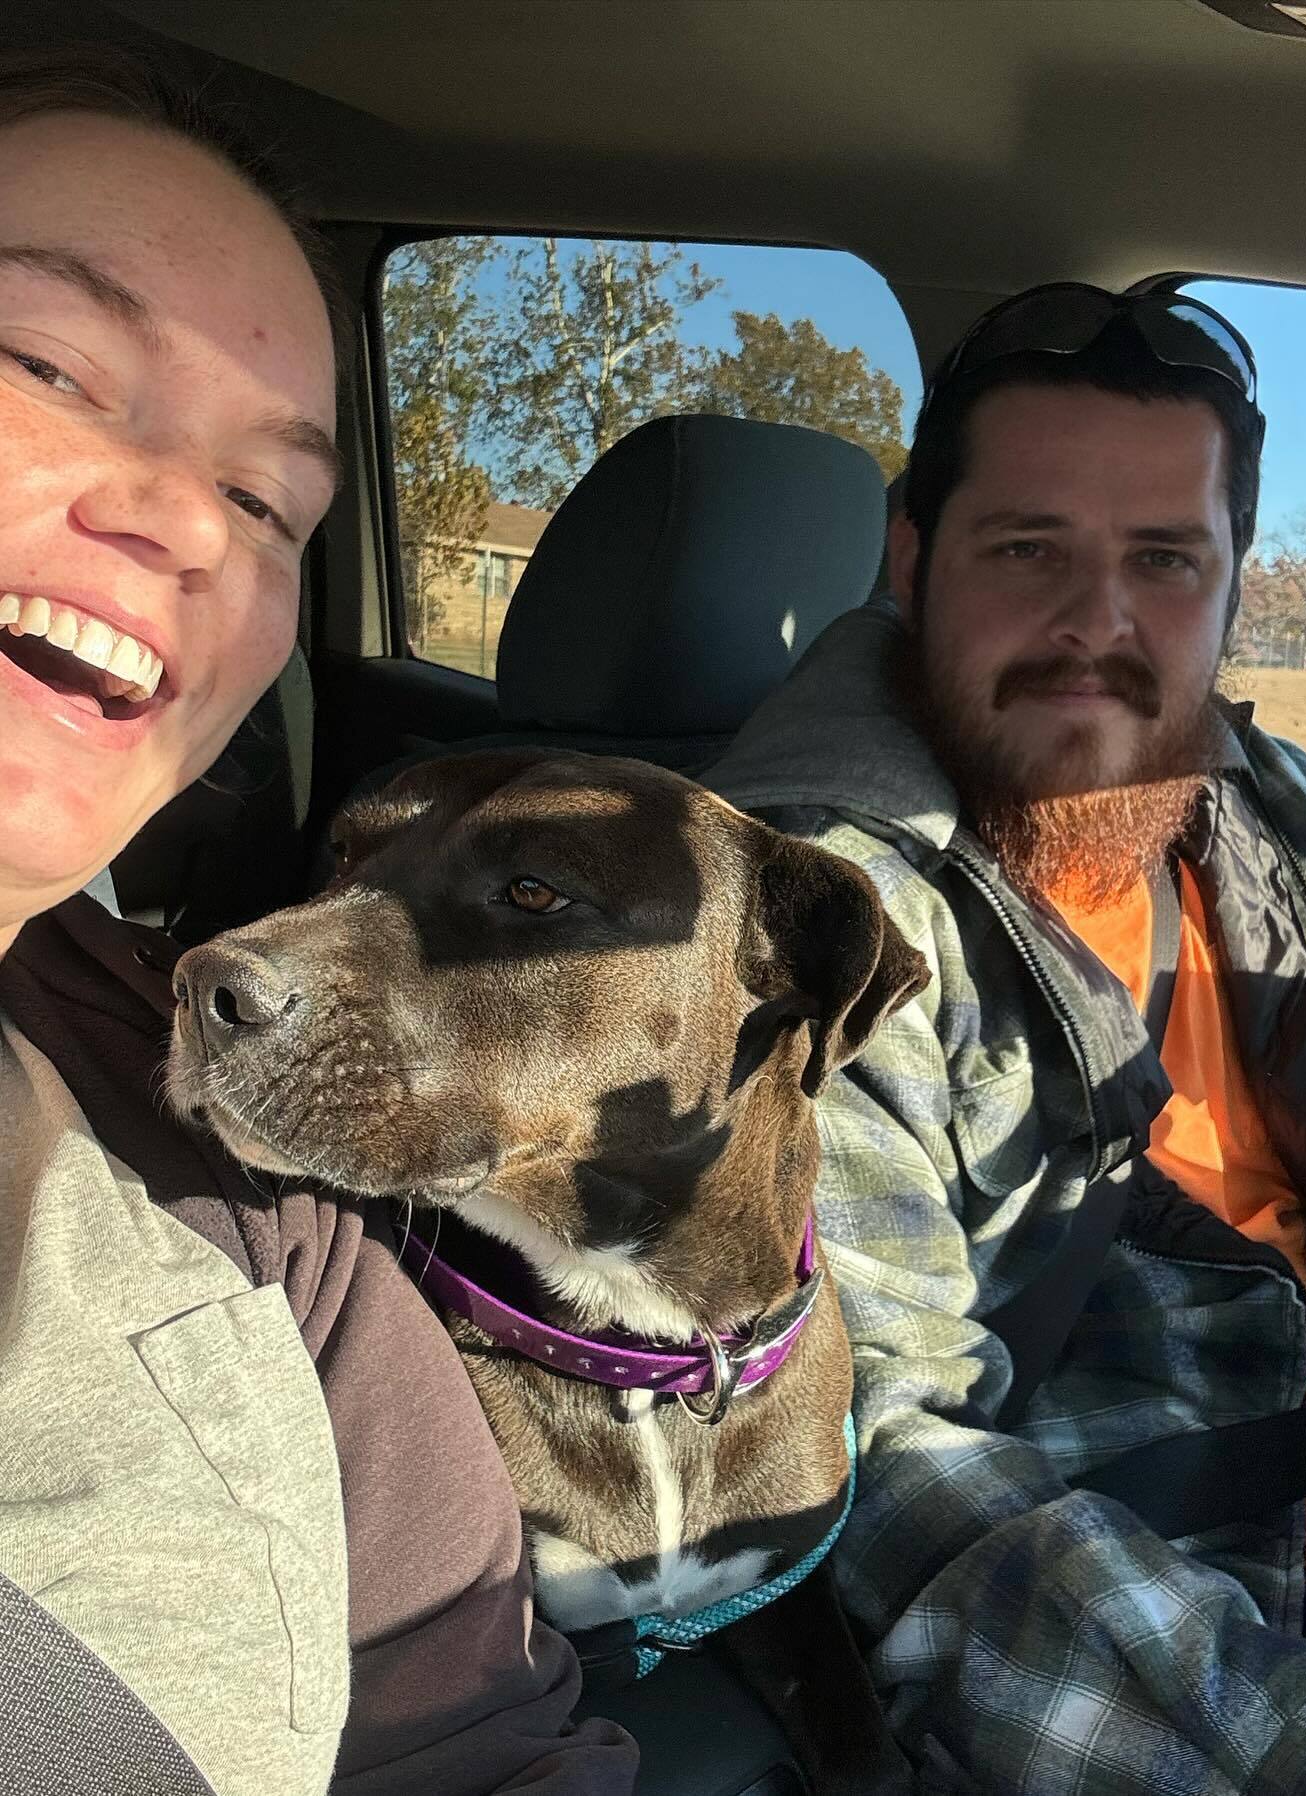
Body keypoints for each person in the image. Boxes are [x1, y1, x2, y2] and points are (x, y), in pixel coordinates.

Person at [0, 44, 636, 1796]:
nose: (189, 520)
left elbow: (495, 1743)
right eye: (46, 360)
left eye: (271, 500)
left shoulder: (234, 1177)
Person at [709, 283, 1306, 1791]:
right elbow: (898, 1476)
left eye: (1164, 561)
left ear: (1233, 587)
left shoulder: (1249, 795)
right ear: (914, 562)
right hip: (1171, 1632)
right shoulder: (808, 934)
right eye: (1028, 548)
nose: (1096, 627)